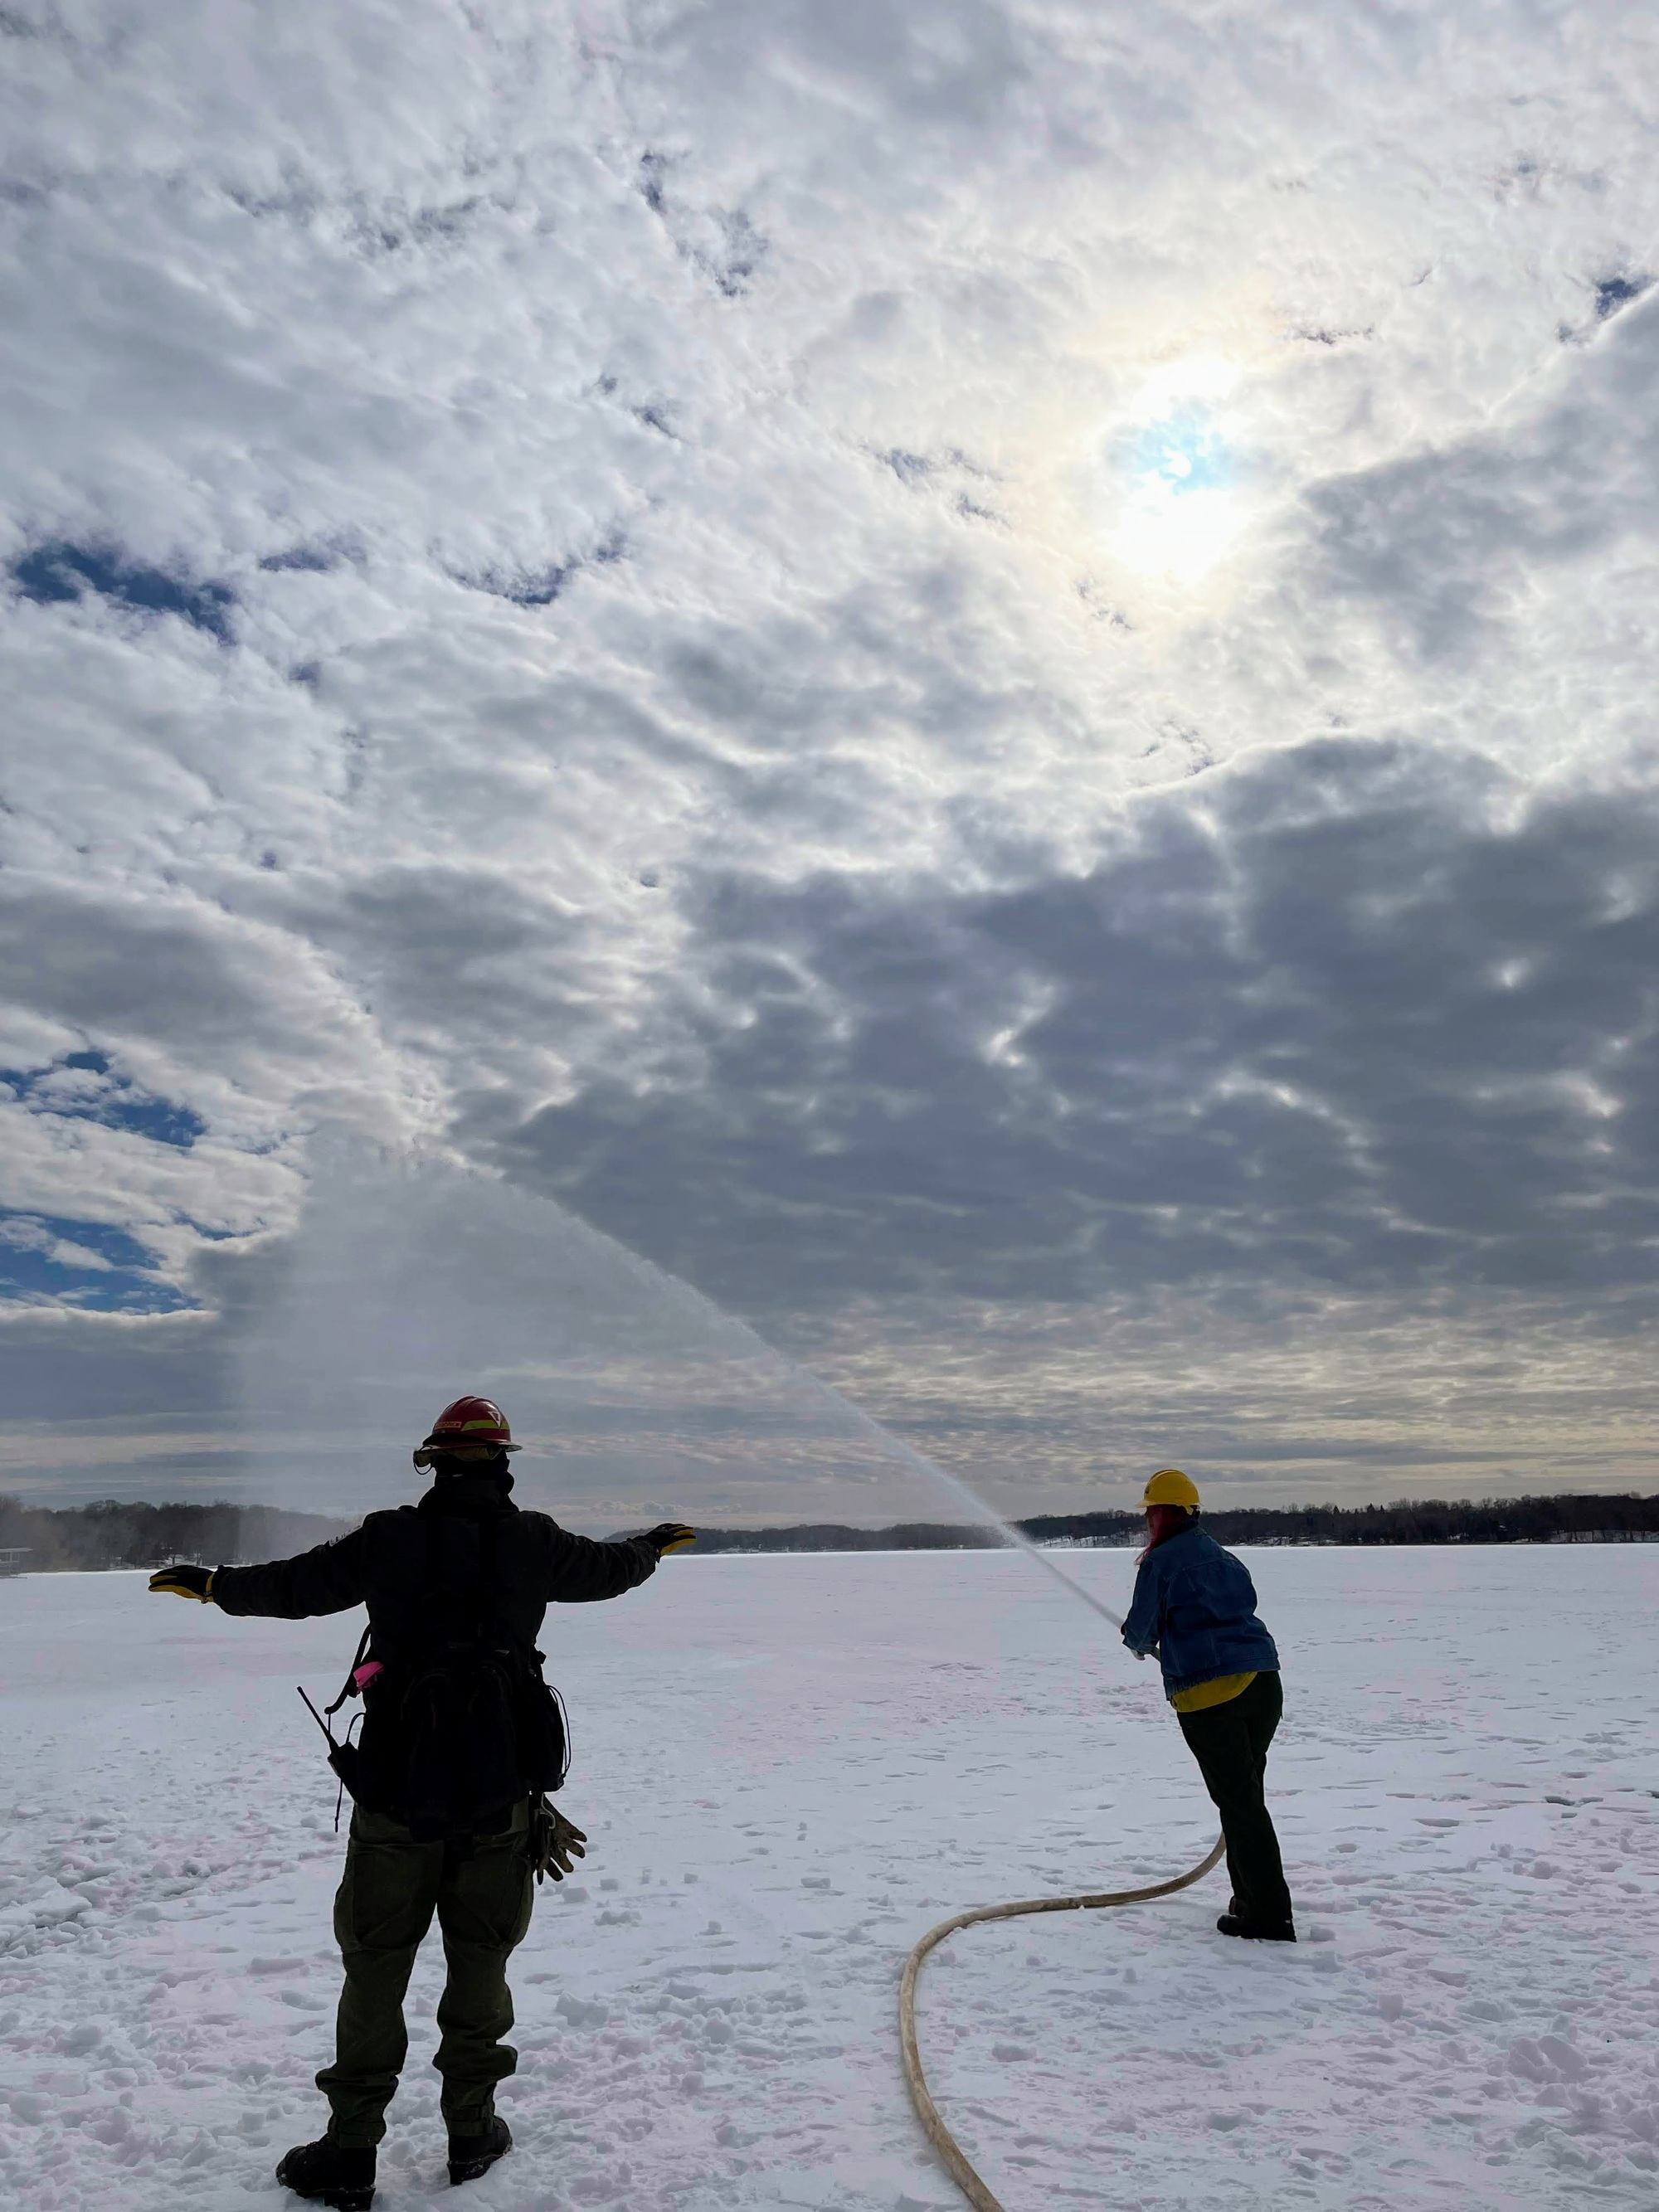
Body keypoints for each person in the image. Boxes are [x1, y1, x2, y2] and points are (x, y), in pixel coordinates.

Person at [148, 1393, 694, 2210]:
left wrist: (213, 1586)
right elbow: (610, 1571)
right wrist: (650, 1545)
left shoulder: (389, 1538)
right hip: (501, 1802)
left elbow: (296, 1586)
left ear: (431, 1463)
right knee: (481, 1961)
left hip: (395, 1798)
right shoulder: (531, 1541)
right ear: (503, 1463)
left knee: (374, 1967)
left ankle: (349, 2151)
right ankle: (472, 2132)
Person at [1120, 1468, 1295, 1942]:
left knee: (1240, 1806)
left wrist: (1133, 1640)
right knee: (1244, 1800)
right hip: (1262, 1683)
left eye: (1150, 1512)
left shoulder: (1161, 1562)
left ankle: (1269, 1913)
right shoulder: (1224, 1557)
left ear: (1159, 1514)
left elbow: (1141, 1628)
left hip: (1211, 1696)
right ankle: (1249, 1897)